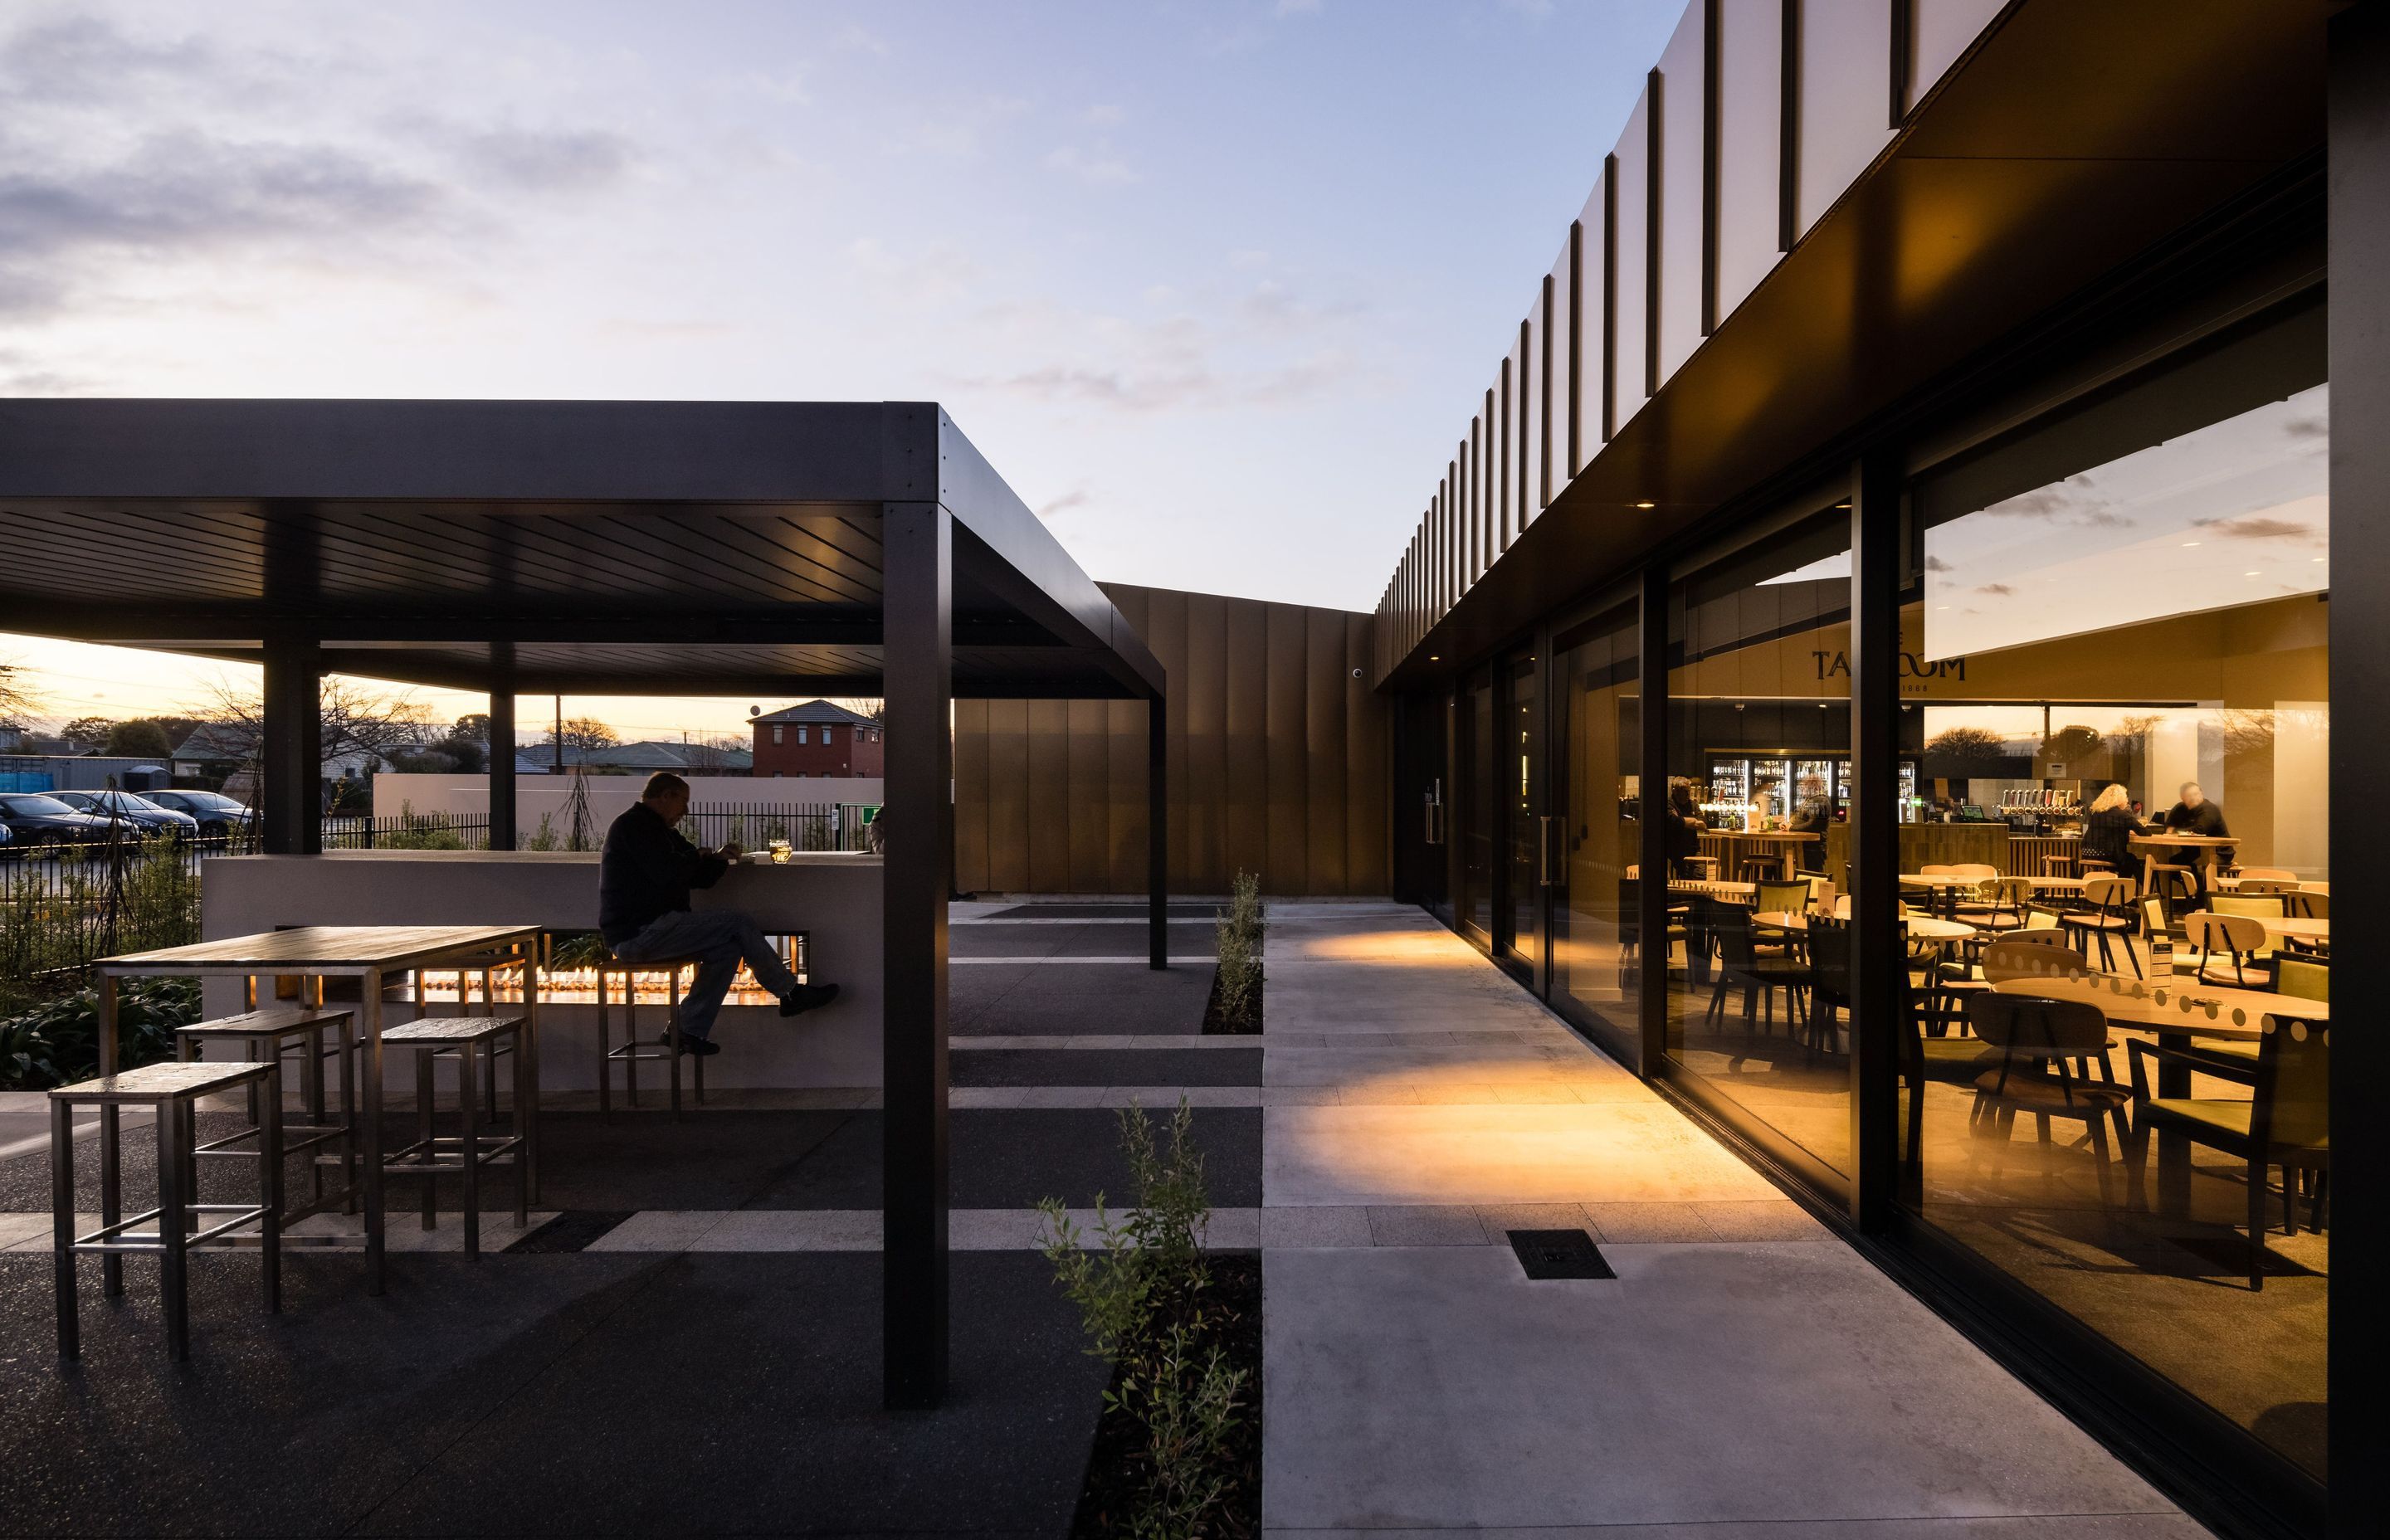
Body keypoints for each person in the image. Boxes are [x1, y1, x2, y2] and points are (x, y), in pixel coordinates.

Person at [599, 772, 840, 1057]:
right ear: (666, 796)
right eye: (683, 802)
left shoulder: (662, 831)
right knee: (737, 921)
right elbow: (667, 872)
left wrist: (718, 858)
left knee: (727, 951)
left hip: (657, 930)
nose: (685, 811)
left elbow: (698, 877)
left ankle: (685, 1030)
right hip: (638, 933)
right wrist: (698, 857)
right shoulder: (633, 826)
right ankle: (790, 993)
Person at [2161, 781, 2232, 897]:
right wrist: (2174, 830)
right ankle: (2191, 893)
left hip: (2219, 852)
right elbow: (2168, 827)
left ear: (2202, 793)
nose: (2194, 798)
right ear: (2183, 798)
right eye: (2189, 796)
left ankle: (2202, 901)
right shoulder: (2180, 809)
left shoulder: (2209, 809)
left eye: (2196, 794)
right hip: (2193, 853)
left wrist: (2176, 831)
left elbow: (2200, 830)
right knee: (2170, 864)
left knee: (2198, 866)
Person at [2078, 782, 2140, 878]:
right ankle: (2124, 888)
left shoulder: (2095, 812)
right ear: (2121, 799)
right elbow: (2144, 832)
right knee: (2130, 860)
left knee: (2127, 861)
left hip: (2087, 852)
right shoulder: (2121, 814)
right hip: (2106, 853)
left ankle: (2116, 887)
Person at [1666, 781, 1706, 880]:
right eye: (1685, 791)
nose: (1688, 794)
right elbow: (1673, 821)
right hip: (1673, 849)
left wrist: (1680, 819)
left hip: (1693, 848)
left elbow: (1702, 825)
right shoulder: (1668, 804)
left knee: (1701, 876)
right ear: (1675, 791)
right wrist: (1692, 822)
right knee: (1684, 878)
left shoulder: (1693, 804)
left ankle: (1696, 895)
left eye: (1689, 791)